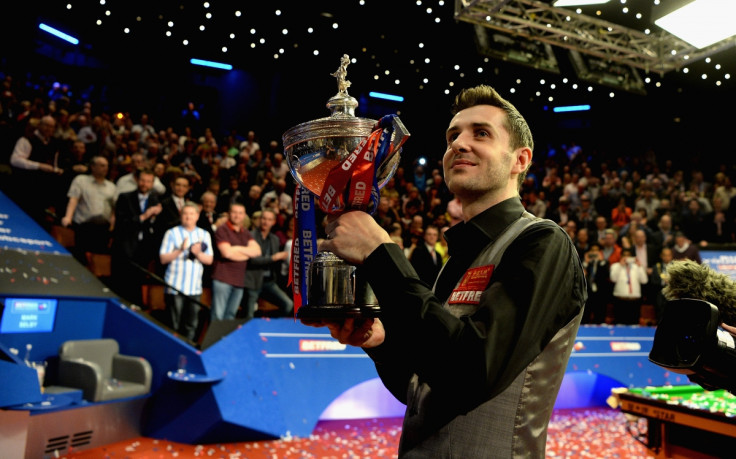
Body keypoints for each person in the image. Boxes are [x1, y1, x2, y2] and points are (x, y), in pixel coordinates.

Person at [307, 85, 586, 457]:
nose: (459, 143)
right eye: (452, 135)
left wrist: (380, 253)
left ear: (520, 160)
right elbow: (422, 388)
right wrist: (380, 343)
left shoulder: (543, 242)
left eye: (481, 133)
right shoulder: (459, 258)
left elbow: (471, 373)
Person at [159, 202, 214, 341]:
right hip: (174, 286)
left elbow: (209, 260)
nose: (188, 217)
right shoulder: (171, 233)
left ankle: (188, 350)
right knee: (173, 324)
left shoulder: (204, 234)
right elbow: (163, 259)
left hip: (194, 288)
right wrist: (180, 250)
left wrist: (197, 254)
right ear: (180, 215)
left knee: (191, 324)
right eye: (185, 214)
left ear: (197, 216)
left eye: (191, 214)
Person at [112, 167, 163, 305]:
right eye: (142, 180)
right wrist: (144, 216)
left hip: (144, 251)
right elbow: (122, 224)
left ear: (152, 183)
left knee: (138, 289)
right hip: (125, 250)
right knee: (122, 287)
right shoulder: (125, 197)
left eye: (148, 181)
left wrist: (153, 218)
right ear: (137, 180)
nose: (145, 184)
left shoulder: (155, 200)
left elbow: (156, 227)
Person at [210, 203, 262, 322]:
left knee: (230, 317)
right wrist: (247, 253)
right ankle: (216, 341)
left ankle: (227, 341)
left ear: (244, 215)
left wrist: (236, 249)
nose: (237, 216)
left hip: (239, 281)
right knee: (218, 316)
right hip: (222, 279)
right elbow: (227, 253)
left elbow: (257, 251)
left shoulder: (245, 232)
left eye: (240, 213)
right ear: (229, 214)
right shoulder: (222, 229)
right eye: (234, 212)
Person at [60, 155, 116, 263]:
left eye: (107, 166)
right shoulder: (81, 180)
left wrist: (112, 226)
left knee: (97, 260)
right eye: (102, 165)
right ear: (93, 167)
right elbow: (74, 199)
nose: (105, 168)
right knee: (79, 259)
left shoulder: (112, 186)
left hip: (103, 229)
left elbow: (114, 209)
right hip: (83, 226)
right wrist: (68, 217)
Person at [242, 209, 293, 319]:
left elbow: (276, 264)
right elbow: (252, 260)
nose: (266, 222)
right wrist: (273, 258)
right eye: (264, 218)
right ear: (260, 220)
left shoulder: (275, 239)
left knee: (288, 305)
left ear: (273, 222)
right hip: (253, 281)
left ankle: (268, 325)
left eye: (269, 219)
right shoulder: (250, 236)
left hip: (269, 282)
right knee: (249, 315)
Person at [609, 248, 648, 325]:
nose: (626, 257)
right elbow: (613, 279)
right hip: (620, 300)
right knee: (619, 325)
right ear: (621, 256)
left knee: (634, 324)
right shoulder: (615, 266)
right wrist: (620, 265)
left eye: (628, 255)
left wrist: (640, 266)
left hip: (634, 301)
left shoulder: (637, 267)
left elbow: (644, 281)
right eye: (624, 255)